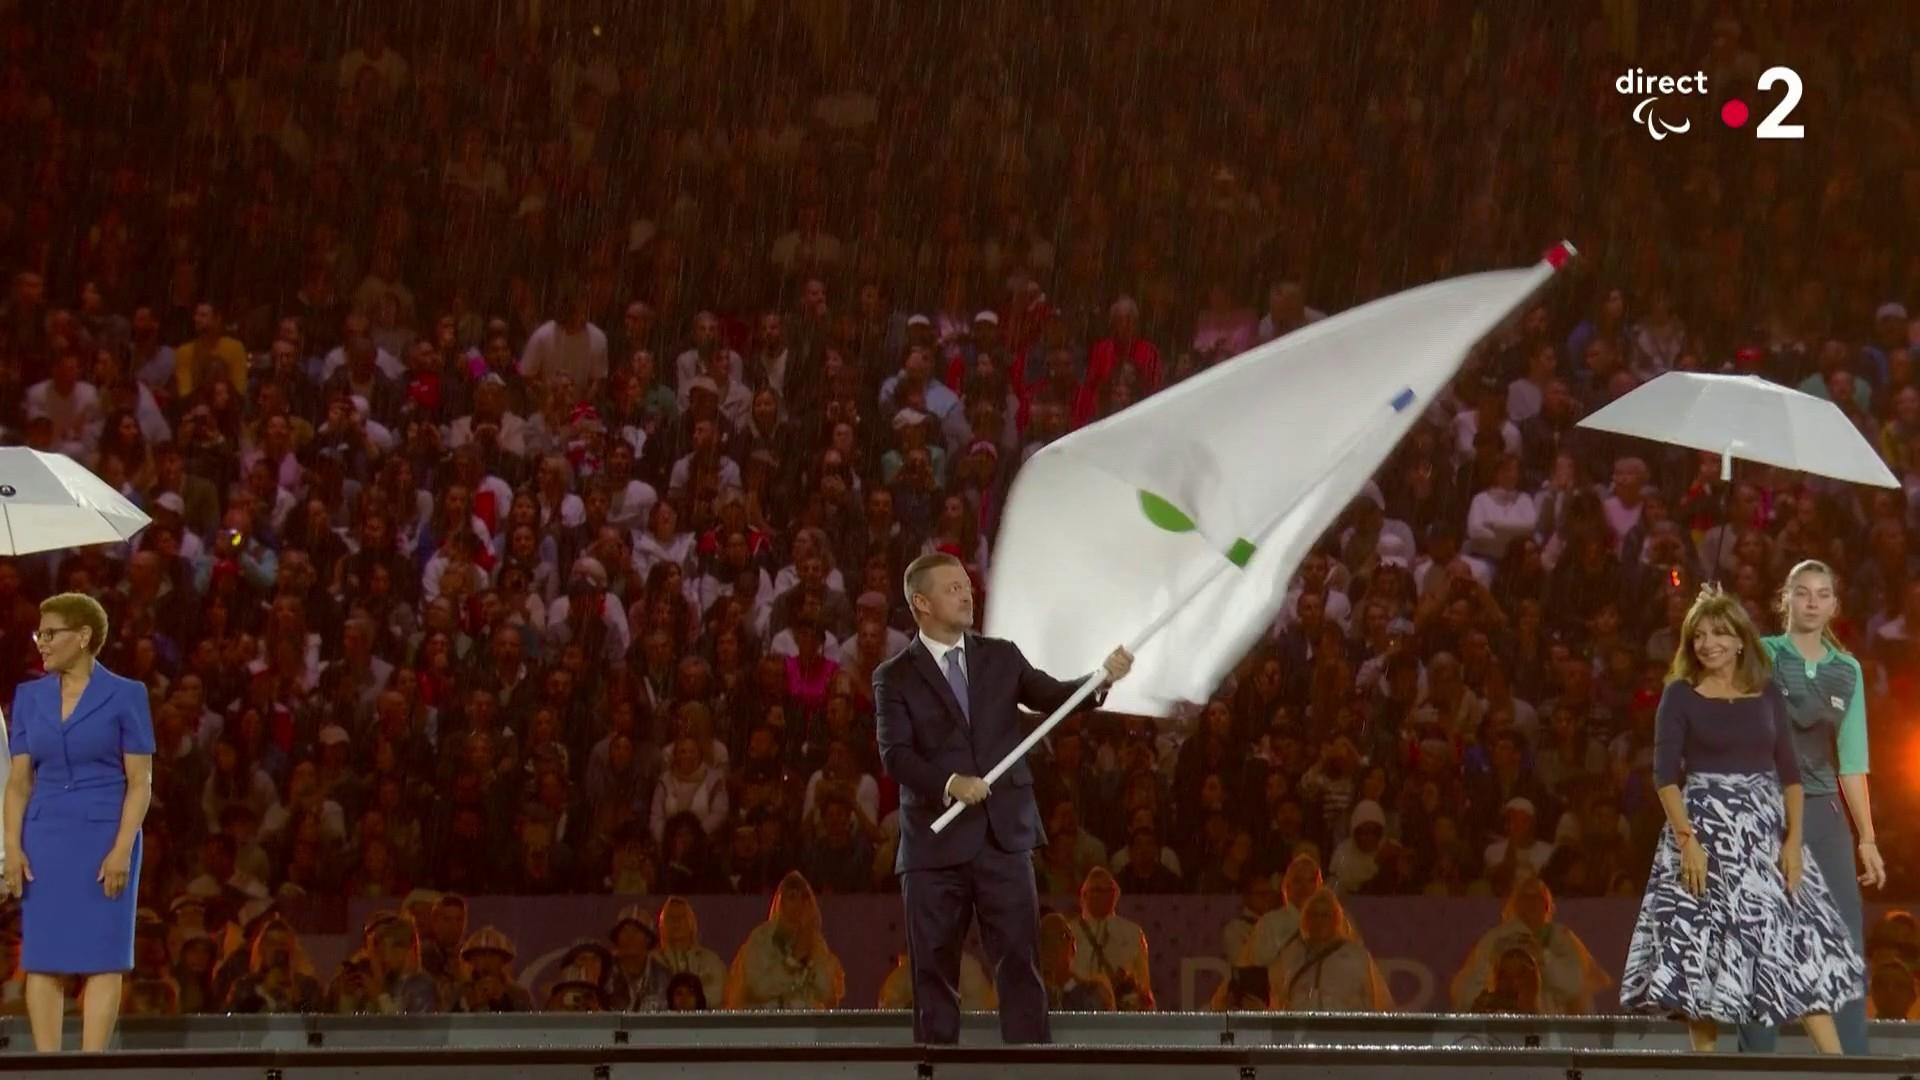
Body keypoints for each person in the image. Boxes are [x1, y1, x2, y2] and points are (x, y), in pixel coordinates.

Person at [873, 551, 1132, 1043]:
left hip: (1003, 838)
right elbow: (896, 756)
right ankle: (937, 1068)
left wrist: (1100, 680)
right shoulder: (895, 676)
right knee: (933, 970)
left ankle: (1028, 1068)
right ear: (920, 603)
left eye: (967, 585)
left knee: (1020, 963)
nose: (967, 593)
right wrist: (950, 783)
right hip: (935, 846)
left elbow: (1055, 696)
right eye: (952, 588)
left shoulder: (1001, 656)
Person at [1619, 586, 1862, 1053]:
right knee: (1701, 946)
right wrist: (1687, 840)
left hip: (1763, 830)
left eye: (1718, 633)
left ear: (1739, 641)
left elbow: (1791, 775)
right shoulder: (1679, 696)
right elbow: (1665, 777)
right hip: (1702, 829)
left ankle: (1839, 1067)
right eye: (1699, 636)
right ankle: (1706, 1065)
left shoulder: (1765, 694)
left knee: (1794, 942)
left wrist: (1792, 843)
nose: (1708, 643)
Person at [1739, 560, 1883, 1055]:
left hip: (1823, 813)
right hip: (1766, 810)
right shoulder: (1761, 654)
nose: (1813, 602)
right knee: (1761, 935)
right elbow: (1713, 672)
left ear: (1834, 606)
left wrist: (1866, 838)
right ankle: (1755, 1058)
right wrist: (1711, 612)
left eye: (1823, 594)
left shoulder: (1848, 670)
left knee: (1844, 937)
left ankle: (1853, 1060)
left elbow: (1853, 759)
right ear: (1787, 600)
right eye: (1803, 593)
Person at [3, 593, 156, 1052]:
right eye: (38, 635)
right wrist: (13, 845)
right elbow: (17, 783)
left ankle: (92, 1067)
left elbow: (140, 781)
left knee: (104, 958)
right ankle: (49, 1068)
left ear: (84, 636)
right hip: (44, 837)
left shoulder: (127, 694)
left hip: (104, 836)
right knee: (43, 959)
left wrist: (122, 848)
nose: (41, 644)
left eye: (50, 634)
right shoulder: (29, 696)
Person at [1450, 876, 1609, 1014]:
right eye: (1526, 897)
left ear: (1547, 904)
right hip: (1506, 1022)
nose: (1531, 904)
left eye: (1537, 898)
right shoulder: (1495, 938)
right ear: (1516, 903)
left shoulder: (1561, 937)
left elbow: (1574, 983)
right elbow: (1469, 988)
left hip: (1551, 1025)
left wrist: (1543, 958)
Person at [1267, 888, 1390, 1011]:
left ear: (1336, 919)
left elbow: (1373, 1002)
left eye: (1325, 915)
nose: (1319, 921)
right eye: (1314, 915)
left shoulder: (1355, 956)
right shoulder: (1290, 954)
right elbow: (1277, 999)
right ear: (1306, 919)